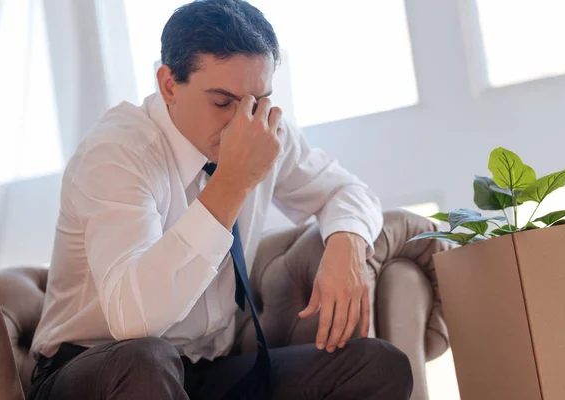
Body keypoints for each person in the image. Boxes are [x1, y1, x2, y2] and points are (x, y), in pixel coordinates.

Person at [28, 1, 413, 399]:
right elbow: (134, 321)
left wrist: (347, 244)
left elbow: (348, 191)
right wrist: (231, 184)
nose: (244, 123)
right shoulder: (117, 152)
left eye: (258, 101)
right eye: (222, 102)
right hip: (99, 371)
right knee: (147, 361)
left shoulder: (264, 129)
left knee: (380, 367)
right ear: (168, 85)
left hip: (204, 371)